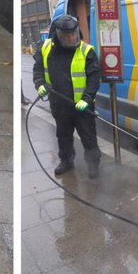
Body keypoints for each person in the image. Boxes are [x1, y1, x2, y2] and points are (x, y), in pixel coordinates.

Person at [32, 14, 101, 178]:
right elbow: (38, 70)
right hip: (59, 104)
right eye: (67, 35)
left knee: (88, 137)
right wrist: (40, 84)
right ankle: (66, 161)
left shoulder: (86, 51)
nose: (71, 38)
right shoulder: (46, 48)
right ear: (58, 34)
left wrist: (86, 99)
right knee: (63, 136)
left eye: (73, 34)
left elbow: (94, 78)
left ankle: (93, 164)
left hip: (82, 107)